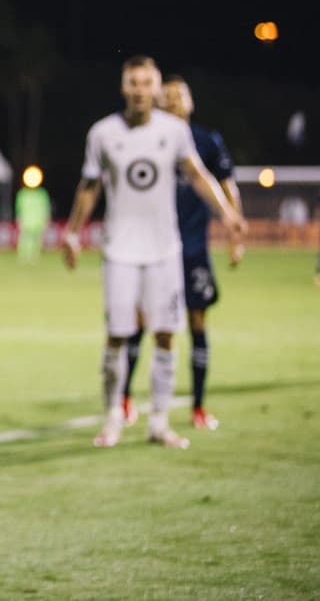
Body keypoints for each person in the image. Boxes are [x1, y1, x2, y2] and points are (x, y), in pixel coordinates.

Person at [62, 56, 245, 451]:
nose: (140, 90)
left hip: (164, 250)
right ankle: (112, 416)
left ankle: (159, 422)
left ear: (156, 89)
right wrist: (73, 233)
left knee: (166, 335)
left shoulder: (175, 131)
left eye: (147, 83)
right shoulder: (103, 133)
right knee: (117, 336)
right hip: (120, 252)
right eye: (133, 83)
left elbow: (198, 175)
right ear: (123, 87)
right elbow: (89, 186)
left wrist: (229, 215)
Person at [119, 76, 243, 430]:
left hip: (193, 250)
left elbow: (225, 185)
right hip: (152, 248)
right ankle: (125, 400)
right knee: (140, 323)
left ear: (190, 102)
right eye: (167, 96)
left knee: (197, 324)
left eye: (180, 95)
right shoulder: (146, 140)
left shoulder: (207, 142)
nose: (174, 100)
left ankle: (199, 408)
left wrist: (236, 231)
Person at [14, 166, 51, 263]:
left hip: (38, 221)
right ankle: (23, 256)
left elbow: (46, 208)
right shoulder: (22, 193)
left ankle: (34, 256)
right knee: (24, 239)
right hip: (26, 221)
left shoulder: (42, 194)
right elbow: (19, 208)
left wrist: (46, 219)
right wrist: (19, 219)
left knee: (37, 240)